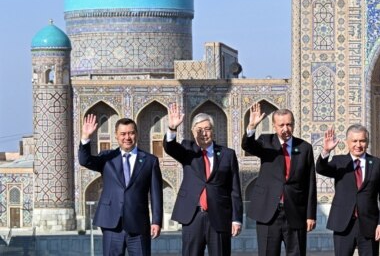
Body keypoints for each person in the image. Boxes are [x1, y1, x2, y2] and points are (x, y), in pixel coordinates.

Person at [163, 103, 243, 256]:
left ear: (213, 131)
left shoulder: (227, 154)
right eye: (199, 130)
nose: (203, 133)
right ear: (193, 132)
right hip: (193, 216)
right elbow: (170, 147)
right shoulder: (187, 150)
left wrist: (236, 219)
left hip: (219, 216)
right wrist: (172, 128)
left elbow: (234, 189)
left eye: (207, 129)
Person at [78, 114, 162, 256]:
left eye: (131, 133)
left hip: (138, 224)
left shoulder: (149, 161)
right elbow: (84, 160)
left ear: (136, 134)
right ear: (116, 136)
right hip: (112, 224)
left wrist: (156, 221)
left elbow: (156, 194)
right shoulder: (107, 157)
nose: (127, 137)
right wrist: (86, 137)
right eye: (123, 134)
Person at [241, 102, 317, 256]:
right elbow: (248, 146)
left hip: (295, 213)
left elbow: (310, 183)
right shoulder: (265, 141)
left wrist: (310, 215)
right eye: (281, 125)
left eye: (289, 124)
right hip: (268, 212)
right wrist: (251, 127)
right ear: (274, 126)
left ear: (294, 125)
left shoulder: (304, 148)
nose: (285, 129)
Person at [316, 124, 380, 256]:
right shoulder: (339, 161)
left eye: (362, 141)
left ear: (367, 142)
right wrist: (326, 151)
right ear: (347, 142)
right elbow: (321, 169)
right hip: (343, 224)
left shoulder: (378, 164)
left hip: (369, 225)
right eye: (354, 141)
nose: (358, 144)